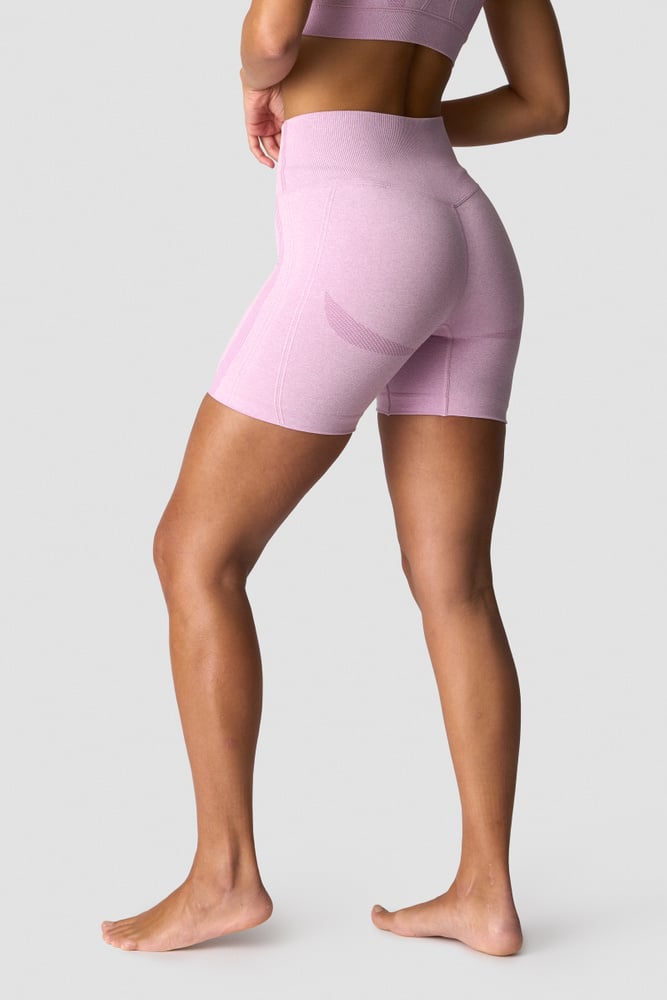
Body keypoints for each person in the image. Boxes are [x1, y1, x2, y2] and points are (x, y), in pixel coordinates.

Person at [101, 0, 569, 956]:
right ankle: (485, 893)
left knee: (195, 553)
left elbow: (272, 37)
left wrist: (256, 86)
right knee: (456, 585)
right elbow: (542, 102)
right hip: (465, 229)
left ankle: (223, 876)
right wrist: (410, 119)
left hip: (365, 228)